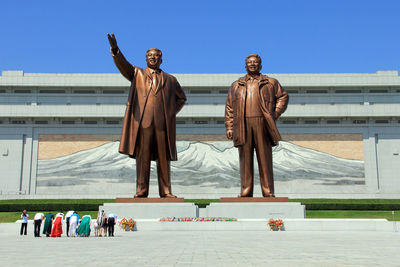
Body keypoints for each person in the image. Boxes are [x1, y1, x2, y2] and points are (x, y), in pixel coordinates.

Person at [107, 33, 187, 198]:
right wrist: (116, 50)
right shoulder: (137, 74)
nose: (153, 58)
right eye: (150, 56)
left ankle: (166, 191)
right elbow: (124, 66)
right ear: (146, 59)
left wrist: (170, 113)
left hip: (162, 125)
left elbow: (182, 98)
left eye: (156, 56)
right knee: (142, 157)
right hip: (143, 123)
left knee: (164, 158)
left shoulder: (170, 80)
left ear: (161, 59)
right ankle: (141, 190)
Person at [225, 54, 289, 197]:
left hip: (262, 123)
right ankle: (246, 190)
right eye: (249, 62)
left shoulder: (270, 82)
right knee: (245, 159)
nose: (252, 64)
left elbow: (283, 96)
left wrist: (274, 114)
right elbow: (229, 107)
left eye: (255, 62)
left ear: (260, 65)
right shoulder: (237, 85)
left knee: (265, 158)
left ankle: (268, 191)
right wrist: (229, 127)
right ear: (245, 65)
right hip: (242, 124)